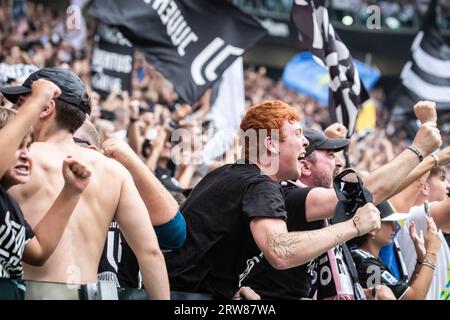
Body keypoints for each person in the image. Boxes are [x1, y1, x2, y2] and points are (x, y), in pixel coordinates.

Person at [165, 100, 381, 299]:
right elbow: (281, 252)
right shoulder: (261, 185)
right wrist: (354, 225)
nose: (305, 141)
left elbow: (201, 248)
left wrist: (231, 288)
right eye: (297, 134)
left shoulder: (226, 174)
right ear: (271, 144)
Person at [1, 67, 169, 299]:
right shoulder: (114, 172)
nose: (15, 112)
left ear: (45, 107)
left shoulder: (18, 159)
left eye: (21, 103)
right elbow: (150, 253)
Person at [239, 127, 395, 300]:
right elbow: (370, 191)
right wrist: (420, 151)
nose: (339, 163)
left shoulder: (316, 209)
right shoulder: (293, 196)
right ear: (305, 166)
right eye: (330, 155)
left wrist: (365, 294)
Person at [0, 79, 91, 299]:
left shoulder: (8, 204)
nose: (25, 154)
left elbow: (39, 252)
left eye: (27, 145)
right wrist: (39, 99)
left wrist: (71, 191)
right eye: (16, 145)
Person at [351, 201, 441, 300]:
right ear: (371, 227)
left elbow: (403, 296)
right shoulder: (365, 263)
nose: (395, 227)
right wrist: (432, 252)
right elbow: (413, 298)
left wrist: (420, 261)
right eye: (389, 222)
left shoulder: (369, 259)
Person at [395, 165, 450, 300]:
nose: (448, 186)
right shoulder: (414, 217)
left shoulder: (435, 227)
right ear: (424, 186)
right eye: (443, 179)